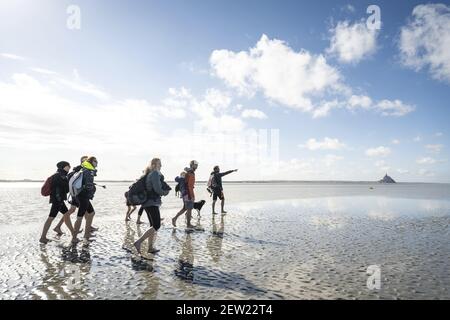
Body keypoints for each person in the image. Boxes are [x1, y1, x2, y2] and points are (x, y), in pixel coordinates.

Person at [134, 158, 170, 255]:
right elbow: (158, 189)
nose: (161, 166)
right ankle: (138, 242)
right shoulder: (154, 174)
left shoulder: (149, 174)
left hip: (147, 203)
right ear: (153, 165)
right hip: (152, 202)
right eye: (159, 164)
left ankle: (150, 248)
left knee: (152, 226)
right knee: (156, 225)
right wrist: (165, 192)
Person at [40, 161, 74, 244]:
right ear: (63, 167)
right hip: (57, 201)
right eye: (68, 166)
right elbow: (63, 189)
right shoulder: (60, 176)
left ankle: (74, 234)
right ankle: (43, 237)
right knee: (51, 217)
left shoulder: (59, 175)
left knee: (66, 215)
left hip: (59, 200)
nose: (69, 167)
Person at [53, 156, 88, 236]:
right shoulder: (80, 168)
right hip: (77, 194)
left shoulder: (81, 169)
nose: (86, 162)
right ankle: (85, 227)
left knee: (73, 210)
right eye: (84, 160)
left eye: (87, 160)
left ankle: (58, 226)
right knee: (82, 209)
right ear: (81, 162)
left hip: (76, 193)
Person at [71, 157, 98, 244]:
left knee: (91, 213)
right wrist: (92, 190)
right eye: (95, 161)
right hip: (84, 196)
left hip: (79, 195)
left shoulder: (84, 169)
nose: (97, 163)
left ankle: (86, 235)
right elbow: (88, 186)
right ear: (91, 161)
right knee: (80, 217)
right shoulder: (89, 171)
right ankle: (74, 238)